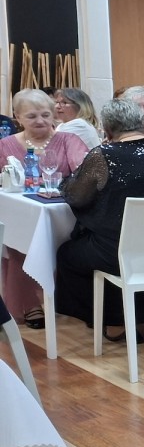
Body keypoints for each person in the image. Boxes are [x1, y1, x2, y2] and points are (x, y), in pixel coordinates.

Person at [56, 99, 144, 349]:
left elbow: (76, 195)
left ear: (107, 130)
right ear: (142, 123)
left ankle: (116, 323)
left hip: (121, 252)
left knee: (69, 254)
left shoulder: (104, 155)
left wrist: (63, 183)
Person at [0, 89, 91, 327]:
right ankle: (29, 304)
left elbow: (84, 172)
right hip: (23, 212)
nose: (40, 121)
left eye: (45, 114)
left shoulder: (69, 140)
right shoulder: (6, 145)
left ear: (53, 115)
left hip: (65, 212)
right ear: (17, 117)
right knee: (20, 238)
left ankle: (63, 300)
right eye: (31, 116)